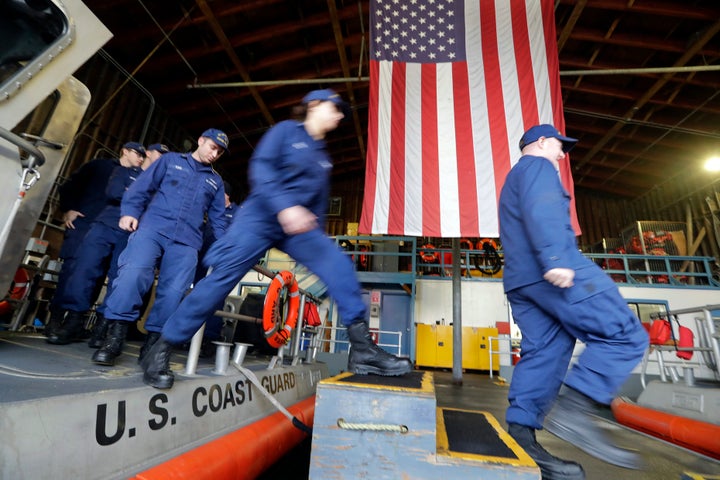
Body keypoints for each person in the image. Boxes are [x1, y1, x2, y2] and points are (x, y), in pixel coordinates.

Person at [140, 89, 412, 389]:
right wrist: (285, 206)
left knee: (338, 264)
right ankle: (162, 348)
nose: (339, 116)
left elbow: (318, 209)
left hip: (297, 227)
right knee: (219, 282)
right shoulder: (284, 132)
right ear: (314, 105)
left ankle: (361, 348)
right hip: (260, 217)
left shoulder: (324, 159)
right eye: (334, 108)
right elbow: (261, 168)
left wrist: (316, 242)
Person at [498, 124, 648, 479]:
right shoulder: (537, 167)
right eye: (559, 147)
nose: (562, 155)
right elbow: (543, 209)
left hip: (522, 280)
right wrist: (556, 258)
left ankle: (521, 439)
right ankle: (576, 411)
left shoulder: (512, 177)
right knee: (625, 334)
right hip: (550, 266)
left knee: (546, 352)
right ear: (542, 142)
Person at [92, 130, 229, 366]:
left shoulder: (214, 181)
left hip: (187, 241)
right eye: (212, 146)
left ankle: (153, 347)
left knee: (174, 292)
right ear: (200, 140)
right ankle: (113, 340)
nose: (214, 153)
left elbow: (218, 219)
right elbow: (142, 188)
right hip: (153, 228)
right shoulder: (170, 161)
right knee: (132, 276)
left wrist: (227, 246)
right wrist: (129, 213)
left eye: (219, 151)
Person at [46, 142, 147, 337]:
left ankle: (76, 323)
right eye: (137, 153)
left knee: (97, 275)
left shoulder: (138, 179)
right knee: (74, 271)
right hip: (84, 224)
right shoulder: (100, 166)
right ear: (124, 150)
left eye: (144, 156)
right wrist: (68, 209)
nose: (141, 158)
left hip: (113, 229)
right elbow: (70, 186)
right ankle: (56, 320)